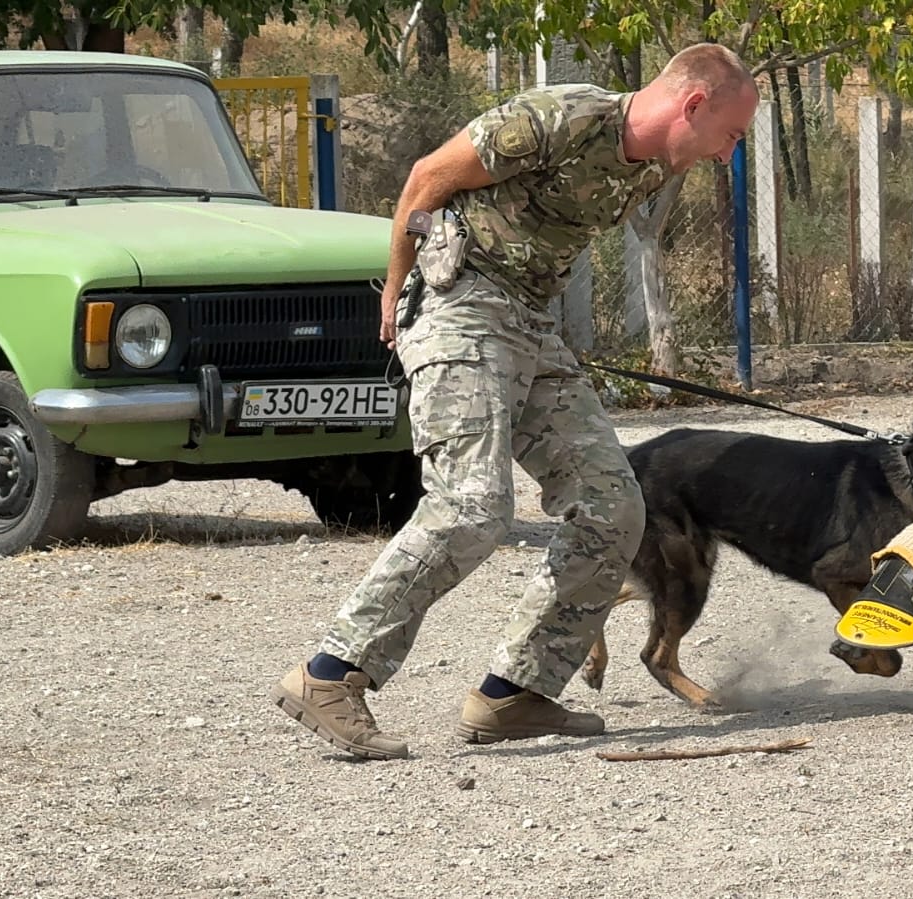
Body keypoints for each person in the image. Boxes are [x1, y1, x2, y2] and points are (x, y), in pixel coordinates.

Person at [270, 43, 761, 759]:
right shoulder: (561, 118)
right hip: (458, 304)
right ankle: (329, 673)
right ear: (692, 105)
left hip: (528, 322)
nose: (726, 154)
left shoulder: (654, 165)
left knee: (613, 506)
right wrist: (397, 294)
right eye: (731, 134)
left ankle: (514, 692)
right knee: (469, 504)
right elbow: (426, 179)